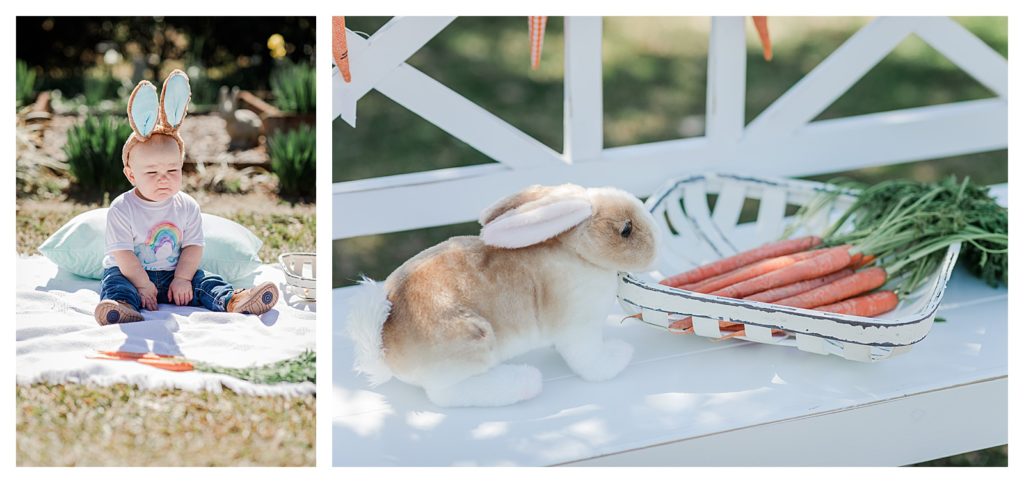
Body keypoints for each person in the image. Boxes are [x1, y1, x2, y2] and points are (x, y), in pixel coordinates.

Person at [94, 70, 278, 326]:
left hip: (174, 274)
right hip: (132, 274)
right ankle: (120, 307)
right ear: (131, 175)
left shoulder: (186, 206)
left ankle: (234, 300)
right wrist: (143, 284)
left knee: (205, 281)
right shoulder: (122, 208)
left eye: (172, 170)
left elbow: (193, 246)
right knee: (115, 282)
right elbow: (123, 254)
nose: (163, 178)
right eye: (151, 172)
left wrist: (182, 278)